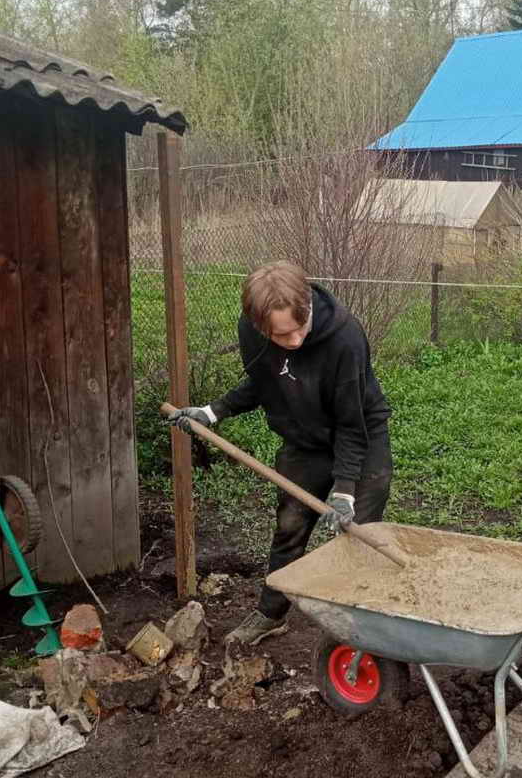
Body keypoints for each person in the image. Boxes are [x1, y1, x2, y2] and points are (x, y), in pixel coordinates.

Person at [167, 261, 392, 648]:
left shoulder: (345, 338)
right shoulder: (252, 333)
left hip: (361, 439)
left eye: (300, 329)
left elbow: (351, 424)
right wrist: (211, 412)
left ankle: (356, 626)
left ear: (306, 305)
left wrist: (343, 491)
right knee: (289, 527)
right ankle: (271, 615)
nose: (295, 341)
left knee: (357, 536)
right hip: (304, 440)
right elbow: (263, 382)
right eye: (281, 335)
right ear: (259, 327)